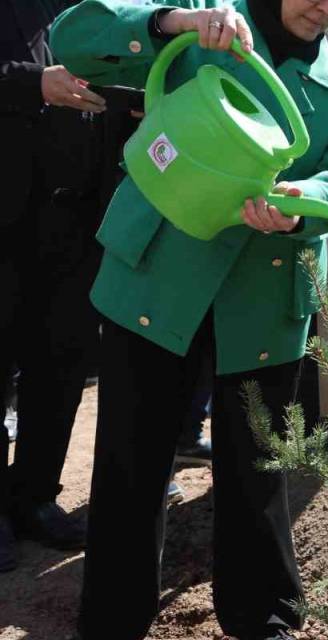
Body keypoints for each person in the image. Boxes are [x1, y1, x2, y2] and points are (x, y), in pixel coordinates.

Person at [49, 0, 328, 637]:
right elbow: (75, 39)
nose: (325, 8)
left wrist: (307, 202)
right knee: (130, 468)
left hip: (263, 300)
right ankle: (112, 622)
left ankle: (265, 619)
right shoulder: (207, 20)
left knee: (258, 474)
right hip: (158, 280)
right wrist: (171, 23)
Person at [0, 0, 107, 573]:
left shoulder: (87, 13)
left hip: (72, 227)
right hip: (5, 221)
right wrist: (34, 84)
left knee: (60, 368)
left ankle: (35, 496)